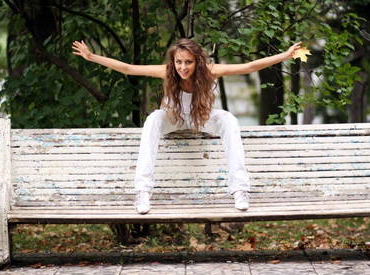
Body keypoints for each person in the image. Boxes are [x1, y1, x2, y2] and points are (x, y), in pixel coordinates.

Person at [72, 38, 302, 214]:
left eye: (188, 62)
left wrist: (285, 55)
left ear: (197, 61)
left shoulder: (209, 71)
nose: (183, 67)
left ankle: (240, 190)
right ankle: (143, 192)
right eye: (179, 62)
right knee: (153, 119)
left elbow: (249, 67)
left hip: (202, 118)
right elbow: (129, 69)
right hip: (173, 118)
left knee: (229, 119)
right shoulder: (167, 72)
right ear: (173, 61)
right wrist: (92, 57)